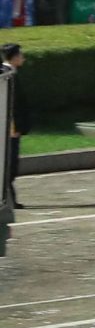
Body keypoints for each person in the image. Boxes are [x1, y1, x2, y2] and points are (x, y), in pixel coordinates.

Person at [0, 41, 22, 211]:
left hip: (14, 127)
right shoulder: (6, 75)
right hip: (9, 128)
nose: (23, 58)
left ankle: (11, 198)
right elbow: (10, 103)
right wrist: (12, 125)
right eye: (20, 55)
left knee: (13, 164)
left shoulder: (12, 73)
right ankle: (9, 198)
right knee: (10, 164)